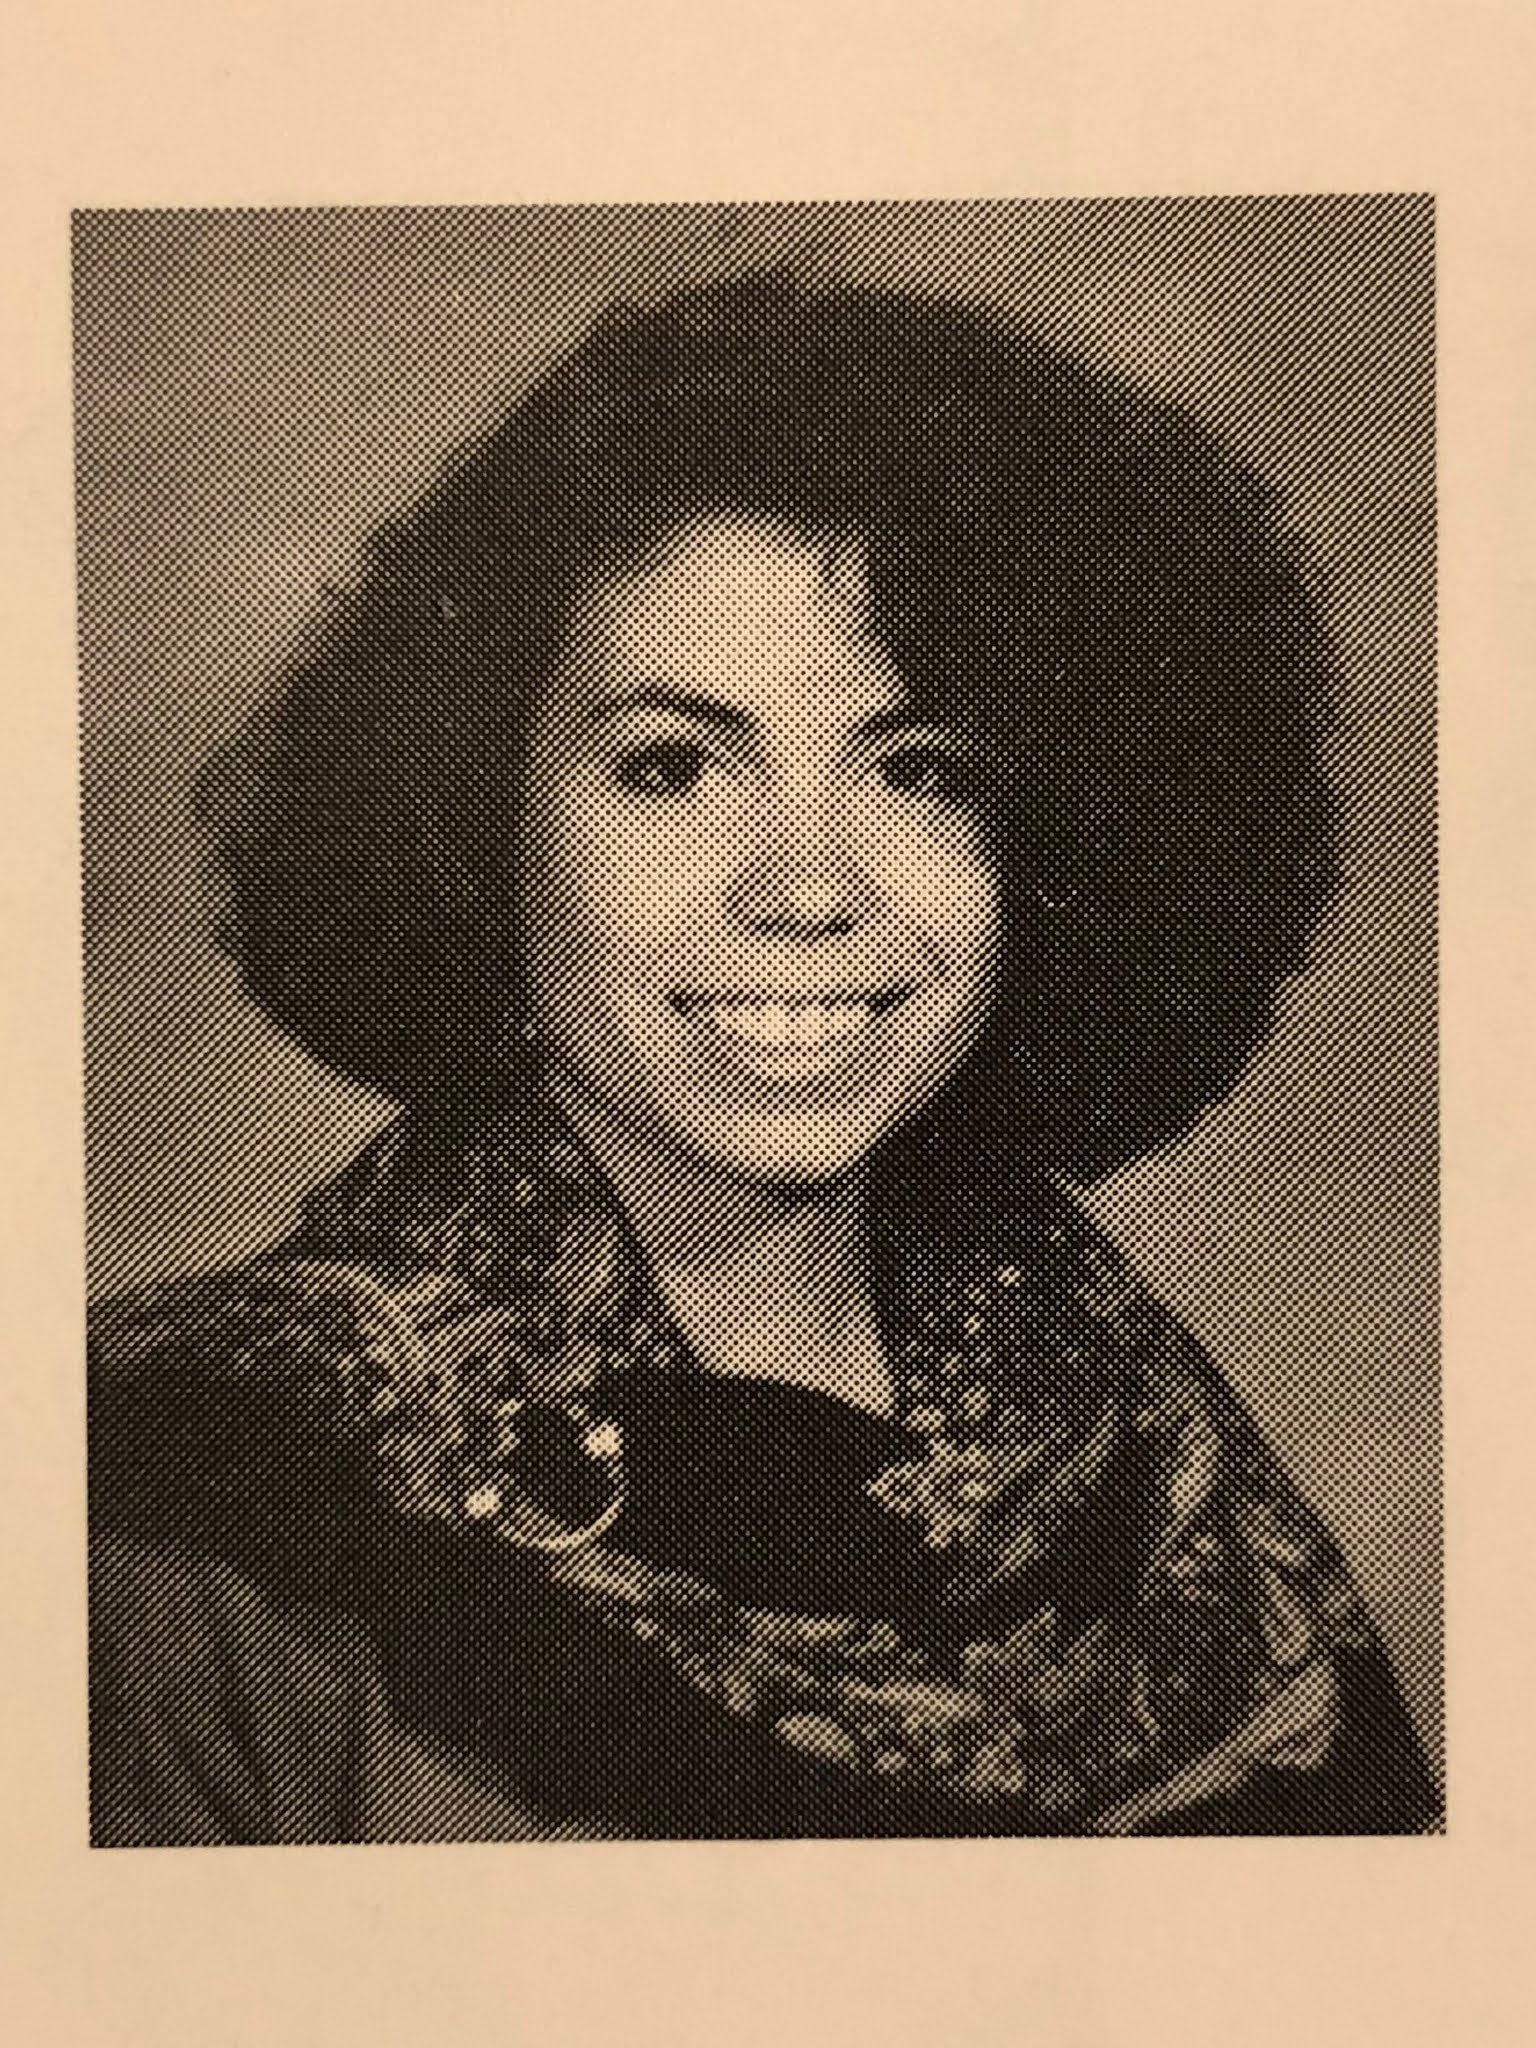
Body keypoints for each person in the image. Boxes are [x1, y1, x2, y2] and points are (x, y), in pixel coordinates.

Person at [87, 267, 1439, 1845]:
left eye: (919, 770)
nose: (805, 890)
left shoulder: (1129, 1431)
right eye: (673, 768)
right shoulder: (187, 1528)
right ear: (474, 821)